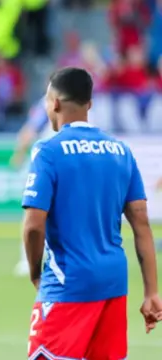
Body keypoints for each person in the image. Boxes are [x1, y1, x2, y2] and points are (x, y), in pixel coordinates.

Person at [22, 67, 162, 359]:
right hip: (113, 283)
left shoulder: (48, 151)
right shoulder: (121, 152)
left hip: (68, 284)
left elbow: (34, 226)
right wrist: (151, 292)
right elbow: (142, 226)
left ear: (55, 103)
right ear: (90, 104)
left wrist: (36, 272)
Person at [10, 96, 52, 276]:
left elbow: (29, 130)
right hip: (64, 165)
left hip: (45, 164)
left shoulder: (47, 102)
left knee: (34, 212)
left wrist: (19, 153)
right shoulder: (81, 104)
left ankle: (28, 259)